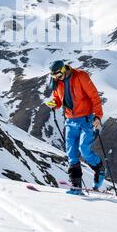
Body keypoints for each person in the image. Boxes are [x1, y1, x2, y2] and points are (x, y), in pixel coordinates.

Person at [45, 60, 105, 195]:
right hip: (70, 121)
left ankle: (99, 169)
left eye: (59, 76)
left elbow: (94, 97)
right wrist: (54, 103)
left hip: (86, 120)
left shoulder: (81, 76)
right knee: (71, 154)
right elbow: (58, 99)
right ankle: (76, 187)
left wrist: (98, 117)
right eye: (54, 77)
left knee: (84, 149)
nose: (57, 79)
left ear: (64, 69)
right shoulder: (57, 81)